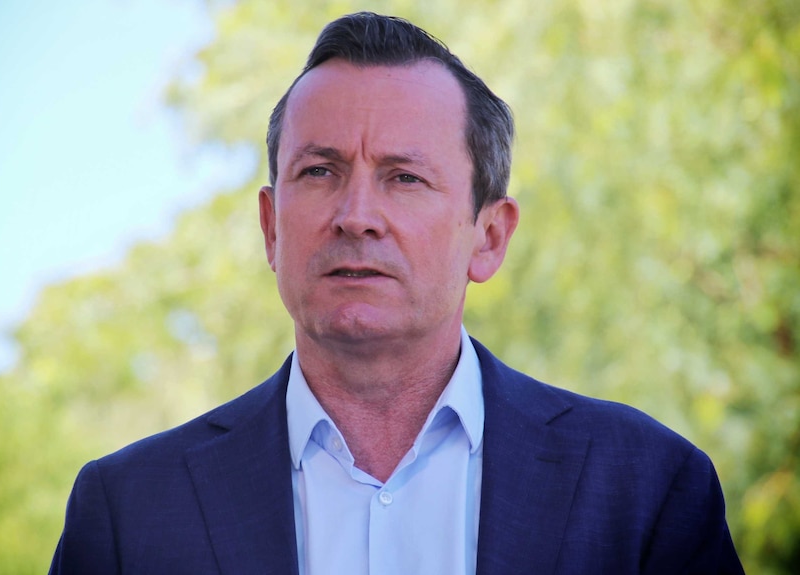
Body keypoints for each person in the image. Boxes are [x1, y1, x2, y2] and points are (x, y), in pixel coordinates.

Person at [49, 12, 744, 575]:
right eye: (320, 171)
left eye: (404, 177)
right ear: (270, 228)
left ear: (490, 236)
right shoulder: (128, 512)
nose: (356, 214)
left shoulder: (647, 491)